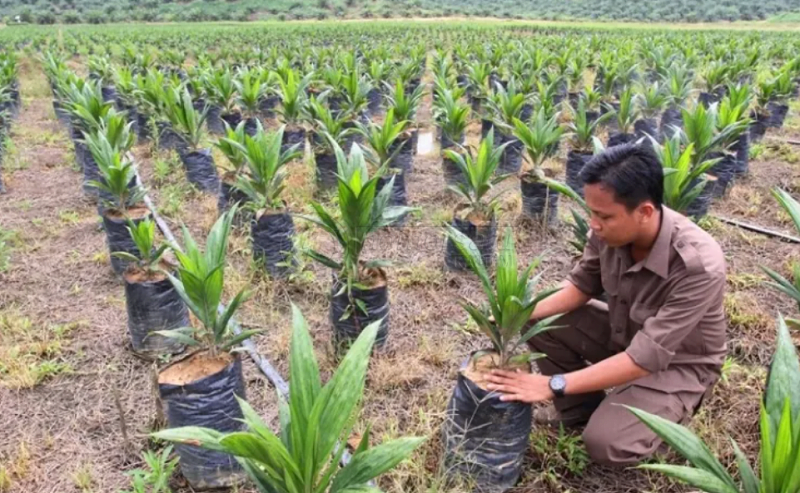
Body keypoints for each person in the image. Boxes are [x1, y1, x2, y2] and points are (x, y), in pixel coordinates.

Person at [485, 143, 727, 466]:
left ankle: (664, 424)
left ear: (644, 212)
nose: (593, 224)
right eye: (591, 212)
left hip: (677, 363)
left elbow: (646, 356)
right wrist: (517, 312)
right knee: (541, 318)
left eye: (603, 216)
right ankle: (582, 410)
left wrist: (551, 385)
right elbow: (579, 287)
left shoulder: (698, 264)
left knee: (606, 444)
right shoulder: (608, 231)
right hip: (625, 335)